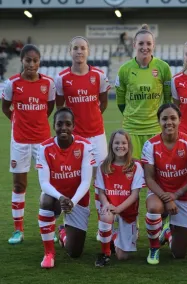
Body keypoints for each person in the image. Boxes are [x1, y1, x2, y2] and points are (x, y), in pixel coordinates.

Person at [55, 36, 110, 241]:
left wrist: (92, 119)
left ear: (88, 51)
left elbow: (103, 103)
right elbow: (61, 109)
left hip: (96, 135)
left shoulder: (99, 75)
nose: (79, 52)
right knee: (73, 180)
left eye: (83, 48)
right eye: (76, 48)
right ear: (70, 51)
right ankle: (66, 225)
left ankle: (102, 225)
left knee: (101, 180)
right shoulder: (61, 78)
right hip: (74, 139)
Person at [2, 44, 55, 244]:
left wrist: (37, 121)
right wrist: (19, 121)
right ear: (22, 61)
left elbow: (49, 107)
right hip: (20, 141)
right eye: (28, 60)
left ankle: (50, 226)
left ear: (39, 62)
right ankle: (18, 230)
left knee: (48, 185)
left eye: (35, 60)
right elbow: (6, 108)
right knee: (19, 184)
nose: (31, 64)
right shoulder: (12, 83)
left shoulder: (48, 84)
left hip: (43, 141)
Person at [141, 103, 187, 265]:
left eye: (173, 118)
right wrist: (168, 199)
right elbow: (149, 178)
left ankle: (167, 231)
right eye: (164, 119)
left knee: (179, 253)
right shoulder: (150, 145)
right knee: (154, 209)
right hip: (159, 193)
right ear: (159, 121)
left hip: (183, 195)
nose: (169, 122)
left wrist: (176, 195)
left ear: (180, 120)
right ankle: (154, 247)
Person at [36, 107, 95, 268]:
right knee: (45, 200)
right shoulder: (44, 148)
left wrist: (72, 202)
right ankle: (49, 253)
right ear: (54, 125)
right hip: (56, 198)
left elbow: (86, 181)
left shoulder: (85, 146)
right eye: (59, 124)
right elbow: (44, 183)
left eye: (68, 124)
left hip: (78, 199)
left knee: (75, 253)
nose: (64, 128)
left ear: (73, 126)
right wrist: (61, 198)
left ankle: (63, 232)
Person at [115, 24, 172, 160]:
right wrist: (132, 117)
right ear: (134, 44)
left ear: (154, 45)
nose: (144, 47)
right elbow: (120, 100)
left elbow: (168, 99)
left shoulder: (163, 68)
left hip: (155, 129)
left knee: (156, 169)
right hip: (131, 129)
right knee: (133, 170)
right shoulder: (124, 69)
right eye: (141, 43)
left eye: (148, 43)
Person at [94, 129, 145, 267]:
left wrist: (119, 209)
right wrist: (106, 205)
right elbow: (101, 192)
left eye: (124, 143)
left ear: (129, 146)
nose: (120, 146)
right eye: (116, 143)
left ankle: (113, 236)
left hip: (127, 211)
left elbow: (135, 195)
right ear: (111, 145)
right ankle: (105, 253)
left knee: (123, 257)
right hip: (110, 207)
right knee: (106, 216)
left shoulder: (136, 166)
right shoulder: (103, 166)